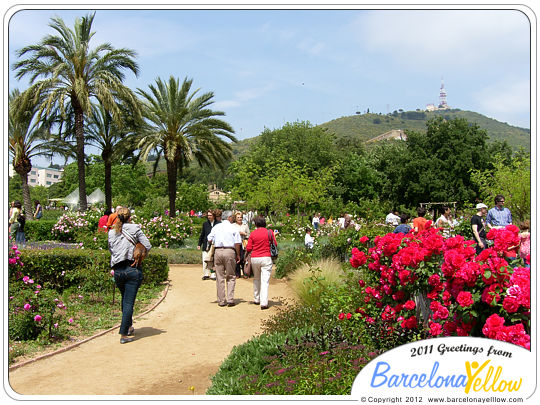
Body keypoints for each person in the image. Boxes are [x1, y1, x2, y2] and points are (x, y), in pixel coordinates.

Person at [108, 207, 152, 344]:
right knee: (128, 302)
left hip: (118, 271)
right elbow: (148, 245)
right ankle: (124, 334)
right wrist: (139, 252)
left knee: (125, 299)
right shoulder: (135, 228)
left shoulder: (111, 232)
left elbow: (111, 250)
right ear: (129, 217)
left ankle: (129, 326)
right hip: (133, 269)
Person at [207, 210, 242, 307]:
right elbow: (237, 243)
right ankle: (230, 299)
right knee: (231, 276)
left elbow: (209, 238)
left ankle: (221, 300)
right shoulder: (233, 228)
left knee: (220, 276)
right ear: (229, 218)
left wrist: (216, 240)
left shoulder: (216, 227)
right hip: (229, 251)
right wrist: (238, 254)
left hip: (218, 251)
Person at [245, 215, 278, 310]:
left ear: (256, 224)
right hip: (266, 257)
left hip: (255, 258)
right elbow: (275, 244)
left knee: (256, 278)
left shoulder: (253, 233)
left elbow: (249, 248)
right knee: (265, 280)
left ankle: (256, 298)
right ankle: (264, 302)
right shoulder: (269, 232)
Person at [197, 210, 220, 280]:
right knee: (205, 259)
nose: (209, 217)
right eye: (208, 215)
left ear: (214, 216)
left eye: (210, 215)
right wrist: (199, 244)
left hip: (215, 245)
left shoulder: (218, 224)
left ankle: (213, 274)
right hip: (206, 245)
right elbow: (202, 234)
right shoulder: (205, 224)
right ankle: (206, 274)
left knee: (213, 260)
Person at [233, 211, 250, 278]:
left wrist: (244, 234)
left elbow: (249, 235)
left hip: (243, 243)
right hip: (235, 243)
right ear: (235, 218)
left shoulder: (245, 226)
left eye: (241, 217)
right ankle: (237, 274)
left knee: (243, 258)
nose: (240, 219)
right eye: (238, 217)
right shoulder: (233, 226)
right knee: (236, 258)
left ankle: (245, 272)